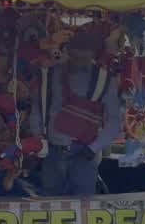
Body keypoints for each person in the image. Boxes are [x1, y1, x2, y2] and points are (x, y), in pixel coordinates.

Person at [35, 31, 121, 197]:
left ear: (93, 53)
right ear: (68, 51)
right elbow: (39, 105)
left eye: (84, 58)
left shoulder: (105, 79)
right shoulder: (52, 73)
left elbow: (114, 122)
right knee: (50, 203)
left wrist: (93, 148)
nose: (79, 62)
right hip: (53, 150)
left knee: (83, 203)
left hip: (84, 153)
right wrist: (38, 136)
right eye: (76, 57)